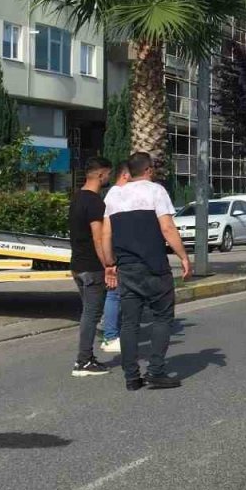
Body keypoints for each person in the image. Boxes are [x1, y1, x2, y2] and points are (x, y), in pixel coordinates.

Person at [101, 152, 192, 391]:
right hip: (154, 266)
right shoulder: (155, 191)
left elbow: (106, 233)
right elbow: (167, 228)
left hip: (126, 268)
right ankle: (156, 371)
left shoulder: (113, 194)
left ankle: (131, 377)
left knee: (129, 323)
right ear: (148, 170)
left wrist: (109, 263)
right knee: (162, 317)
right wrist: (183, 257)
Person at [68, 156, 113, 377]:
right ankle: (83, 361)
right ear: (100, 174)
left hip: (77, 265)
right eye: (108, 174)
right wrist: (108, 265)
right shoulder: (95, 202)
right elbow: (98, 238)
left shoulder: (77, 198)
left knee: (89, 313)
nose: (108, 178)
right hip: (92, 267)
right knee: (91, 315)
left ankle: (87, 358)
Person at [98, 162, 132, 354]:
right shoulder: (117, 194)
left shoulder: (113, 194)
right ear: (125, 175)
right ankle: (110, 334)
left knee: (116, 293)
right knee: (114, 293)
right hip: (117, 251)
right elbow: (107, 231)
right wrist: (109, 262)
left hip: (116, 250)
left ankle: (110, 329)